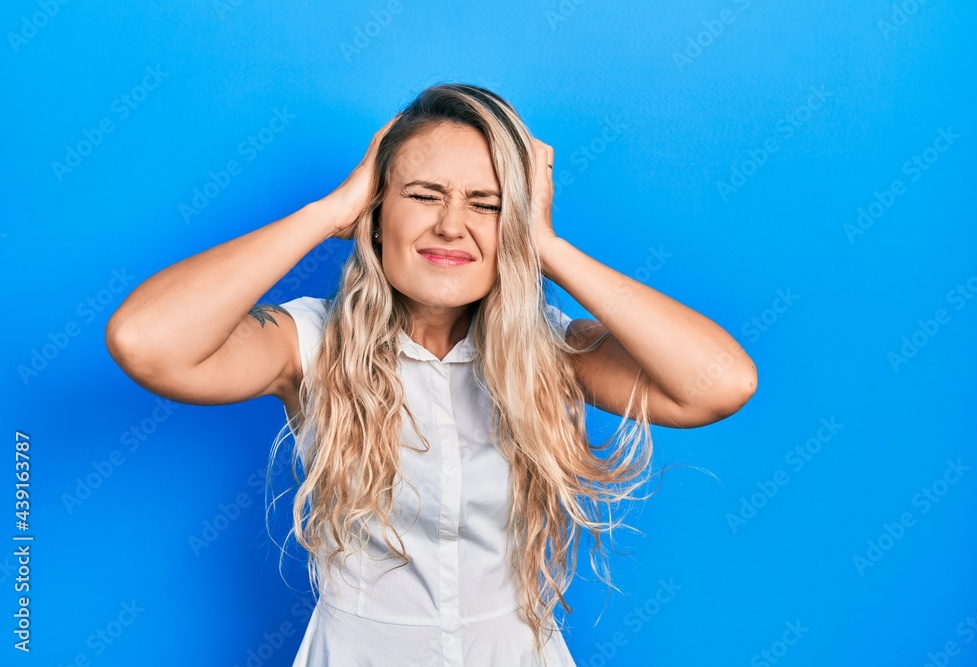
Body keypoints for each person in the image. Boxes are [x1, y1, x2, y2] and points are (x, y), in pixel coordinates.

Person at [105, 83, 757, 666]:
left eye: (487, 204)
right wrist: (329, 213)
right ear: (378, 214)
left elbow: (722, 382)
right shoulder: (311, 342)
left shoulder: (553, 352)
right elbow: (145, 341)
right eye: (423, 195)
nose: (452, 224)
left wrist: (548, 248)